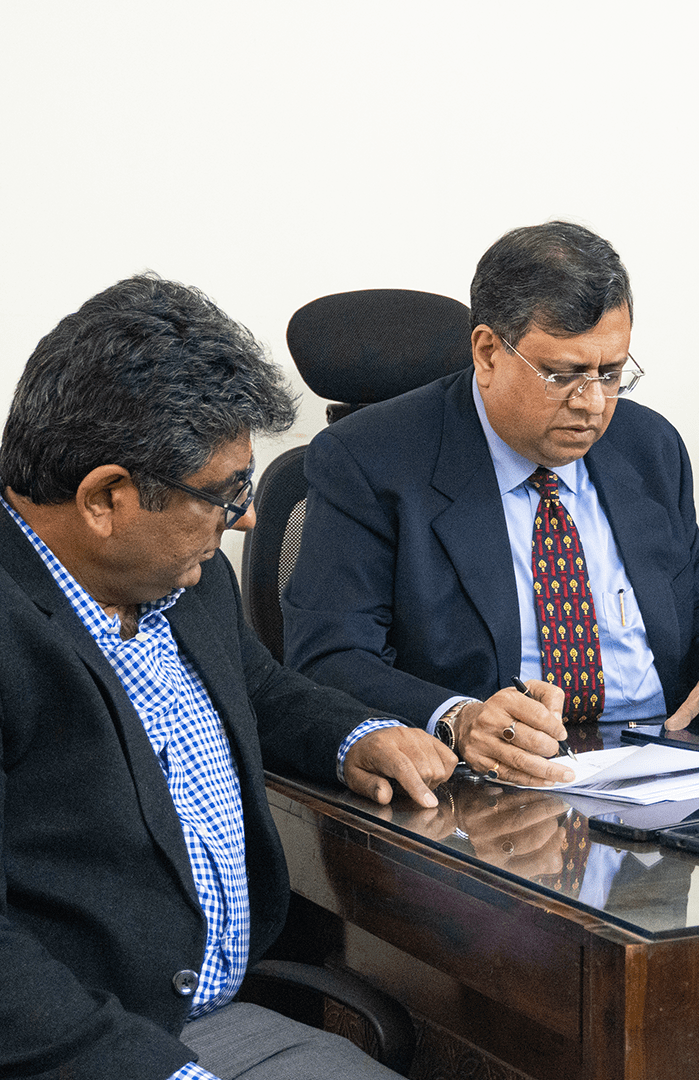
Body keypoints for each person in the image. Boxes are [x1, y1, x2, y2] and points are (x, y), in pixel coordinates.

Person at [0, 275, 457, 1080]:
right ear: (106, 498)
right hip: (83, 1047)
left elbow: (259, 689)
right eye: (223, 494)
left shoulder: (180, 571)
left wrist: (355, 735)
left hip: (218, 1020)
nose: (246, 518)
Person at [283, 221, 699, 788]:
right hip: (489, 787)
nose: (593, 403)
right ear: (488, 353)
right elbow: (330, 657)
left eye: (611, 374)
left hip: (663, 772)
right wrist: (457, 718)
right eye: (564, 375)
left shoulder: (648, 447)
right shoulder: (370, 461)